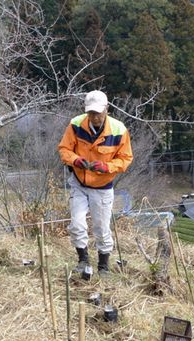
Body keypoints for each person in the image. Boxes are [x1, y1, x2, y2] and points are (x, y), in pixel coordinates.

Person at [58, 90, 133, 279]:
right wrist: (75, 160)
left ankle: (103, 266)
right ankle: (83, 260)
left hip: (102, 187)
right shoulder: (76, 124)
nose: (95, 117)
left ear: (106, 109)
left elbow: (125, 159)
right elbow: (64, 149)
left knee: (101, 228)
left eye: (98, 113)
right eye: (91, 113)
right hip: (79, 183)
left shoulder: (119, 130)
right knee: (77, 223)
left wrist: (106, 167)